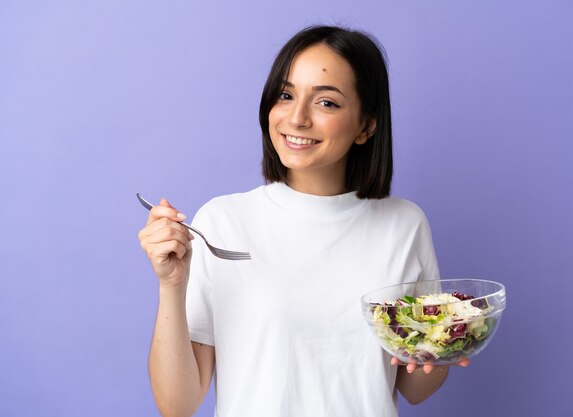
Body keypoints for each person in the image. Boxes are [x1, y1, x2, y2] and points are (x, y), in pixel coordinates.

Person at [138, 25, 468, 417]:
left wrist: (440, 350)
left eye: (326, 103)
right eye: (286, 94)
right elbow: (177, 404)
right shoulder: (223, 222)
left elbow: (415, 388)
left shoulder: (404, 225)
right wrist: (171, 285)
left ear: (367, 125)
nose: (297, 118)